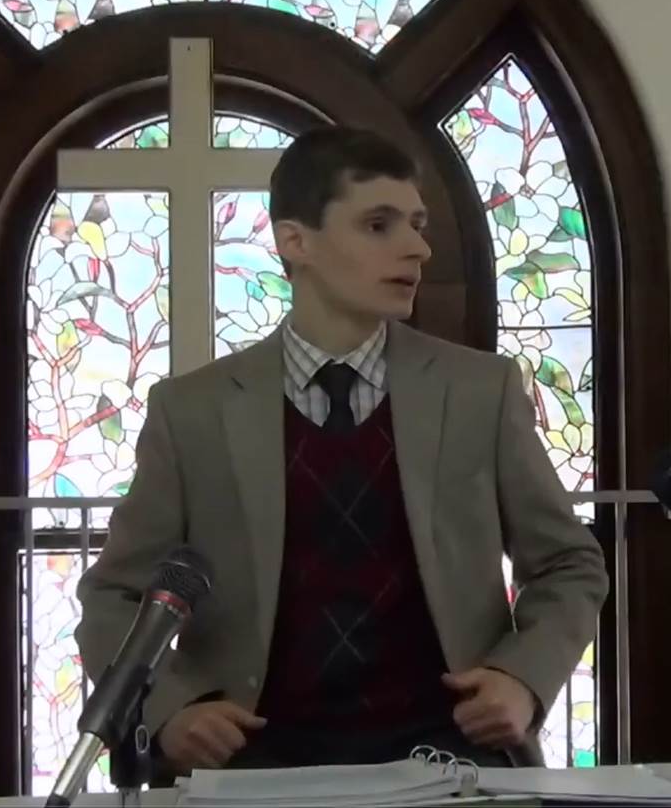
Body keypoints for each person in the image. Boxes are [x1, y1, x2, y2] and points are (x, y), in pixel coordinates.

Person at [74, 125, 607, 775]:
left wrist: (521, 679)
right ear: (295, 241)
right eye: (379, 225)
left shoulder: (480, 391)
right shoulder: (192, 412)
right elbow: (114, 597)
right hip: (255, 763)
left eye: (418, 225)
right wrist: (172, 710)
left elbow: (569, 564)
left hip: (449, 753)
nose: (417, 248)